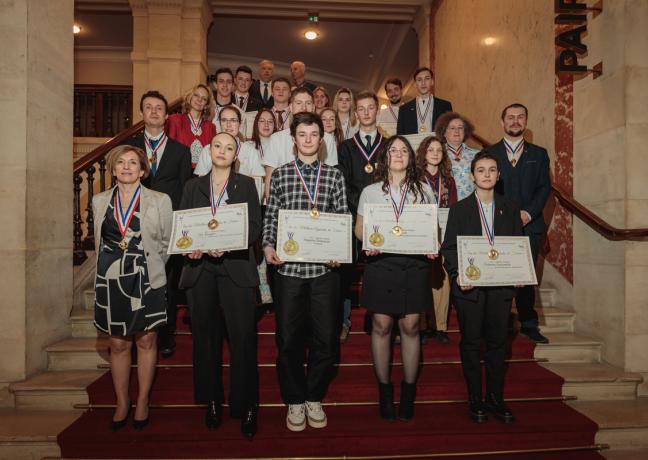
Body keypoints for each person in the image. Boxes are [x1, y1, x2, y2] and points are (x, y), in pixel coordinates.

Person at [263, 112, 349, 432]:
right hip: (289, 271)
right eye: (303, 134)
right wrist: (268, 246)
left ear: (321, 139)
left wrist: (339, 252)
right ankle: (295, 400)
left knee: (327, 339)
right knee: (288, 340)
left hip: (325, 271)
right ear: (294, 139)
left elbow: (342, 218)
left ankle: (314, 394)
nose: (309, 139)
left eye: (314, 134)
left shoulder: (334, 175)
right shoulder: (283, 175)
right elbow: (272, 215)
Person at [179, 132, 262, 438]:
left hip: (236, 268)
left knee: (242, 339)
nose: (222, 151)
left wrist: (227, 243)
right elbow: (184, 224)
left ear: (235, 154)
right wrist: (190, 244)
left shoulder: (247, 185)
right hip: (200, 270)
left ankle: (247, 405)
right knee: (205, 339)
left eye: (229, 147)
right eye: (218, 146)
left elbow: (255, 226)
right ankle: (212, 400)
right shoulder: (192, 186)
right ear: (209, 151)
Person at [354, 136, 436, 422]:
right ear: (385, 158)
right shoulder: (371, 191)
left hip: (414, 263)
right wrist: (368, 240)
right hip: (382, 261)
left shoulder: (424, 190)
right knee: (381, 323)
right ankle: (385, 390)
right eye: (393, 150)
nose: (398, 154)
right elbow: (359, 229)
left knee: (412, 325)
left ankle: (409, 390)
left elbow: (431, 228)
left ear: (411, 158)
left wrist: (431, 244)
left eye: (403, 150)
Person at [92, 145, 173, 431]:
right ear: (113, 170)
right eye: (121, 163)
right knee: (117, 343)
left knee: (147, 340)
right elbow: (99, 241)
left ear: (142, 170)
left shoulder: (159, 200)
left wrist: (150, 267)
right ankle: (121, 401)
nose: (126, 167)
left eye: (133, 163)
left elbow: (166, 242)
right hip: (111, 278)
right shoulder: (99, 200)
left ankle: (142, 399)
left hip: (146, 276)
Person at [441, 151, 523, 425]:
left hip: (500, 289)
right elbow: (449, 248)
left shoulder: (510, 209)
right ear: (472, 175)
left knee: (499, 344)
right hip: (470, 289)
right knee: (472, 343)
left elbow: (518, 246)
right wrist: (458, 274)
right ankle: (475, 398)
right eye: (481, 170)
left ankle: (496, 399)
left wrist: (520, 270)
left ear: (498, 176)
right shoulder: (459, 209)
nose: (486, 174)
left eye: (491, 170)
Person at [121, 90, 192, 357]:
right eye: (148, 107)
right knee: (135, 281)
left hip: (168, 228)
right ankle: (134, 331)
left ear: (166, 115)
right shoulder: (129, 148)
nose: (153, 111)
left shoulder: (180, 151)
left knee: (167, 284)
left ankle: (165, 334)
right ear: (142, 113)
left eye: (159, 108)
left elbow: (185, 191)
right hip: (135, 225)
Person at [487, 103, 551, 344]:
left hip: (529, 224)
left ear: (526, 121)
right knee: (499, 273)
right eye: (510, 117)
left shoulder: (538, 154)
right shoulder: (490, 153)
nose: (515, 121)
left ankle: (528, 322)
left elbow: (544, 188)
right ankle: (500, 321)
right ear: (502, 122)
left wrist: (529, 213)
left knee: (526, 273)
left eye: (520, 117)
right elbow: (486, 186)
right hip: (498, 224)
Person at [337, 91, 384, 342]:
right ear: (356, 114)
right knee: (346, 272)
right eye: (362, 109)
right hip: (353, 216)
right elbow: (343, 184)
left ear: (377, 111)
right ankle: (343, 320)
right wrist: (362, 210)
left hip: (385, 219)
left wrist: (377, 211)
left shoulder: (389, 146)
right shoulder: (345, 147)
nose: (366, 113)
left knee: (381, 270)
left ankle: (378, 317)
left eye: (370, 108)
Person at [415, 136, 458, 344]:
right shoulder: (414, 178)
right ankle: (423, 326)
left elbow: (454, 209)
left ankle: (440, 326)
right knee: (421, 281)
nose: (434, 153)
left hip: (443, 234)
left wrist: (446, 236)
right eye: (430, 149)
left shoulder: (448, 180)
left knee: (442, 283)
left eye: (439, 150)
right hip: (420, 235)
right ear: (423, 153)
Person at [262, 88, 339, 203]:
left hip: (319, 204)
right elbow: (269, 179)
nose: (304, 107)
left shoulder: (327, 139)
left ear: (313, 108)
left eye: (308, 103)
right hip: (286, 205)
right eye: (299, 103)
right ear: (291, 108)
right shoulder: (276, 138)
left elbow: (333, 180)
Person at [166, 84, 217, 170]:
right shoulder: (175, 120)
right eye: (196, 95)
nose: (199, 100)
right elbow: (169, 150)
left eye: (204, 98)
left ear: (206, 105)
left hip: (202, 173)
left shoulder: (211, 127)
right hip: (179, 171)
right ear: (190, 97)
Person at [435, 112, 479, 200]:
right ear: (444, 132)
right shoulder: (437, 155)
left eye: (460, 128)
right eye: (452, 128)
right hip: (448, 205)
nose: (456, 131)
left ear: (465, 131)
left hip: (472, 204)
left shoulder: (477, 154)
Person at [397, 67, 452, 135]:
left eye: (427, 78)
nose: (423, 83)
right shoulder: (404, 109)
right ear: (415, 84)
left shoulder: (445, 106)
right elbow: (400, 136)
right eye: (419, 80)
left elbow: (450, 132)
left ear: (432, 82)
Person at [194, 105, 245, 176]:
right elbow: (200, 181)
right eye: (224, 120)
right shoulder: (208, 149)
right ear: (220, 123)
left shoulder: (251, 151)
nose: (228, 125)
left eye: (233, 120)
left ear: (240, 123)